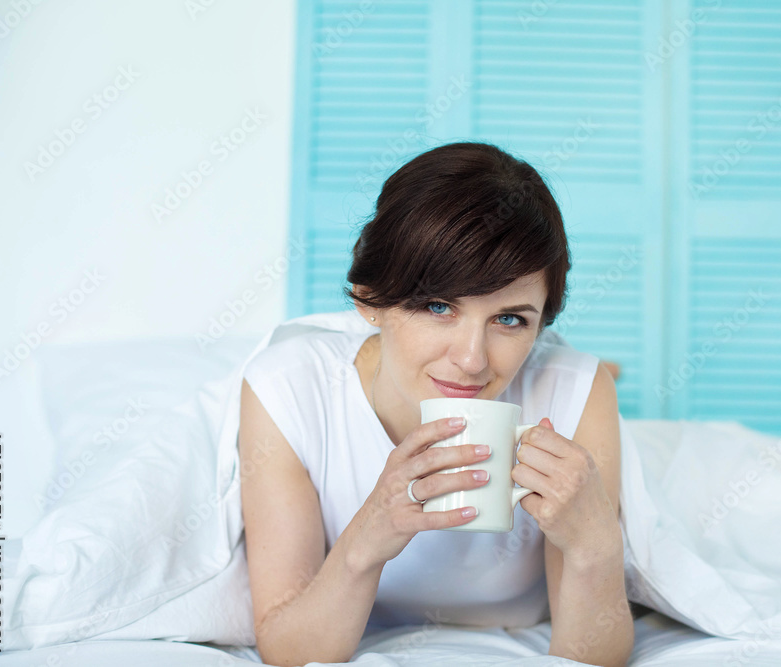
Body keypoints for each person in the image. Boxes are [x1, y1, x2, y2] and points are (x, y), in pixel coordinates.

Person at [237, 142, 634, 667]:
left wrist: (596, 547)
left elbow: (594, 657)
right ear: (368, 297)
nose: (471, 360)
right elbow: (287, 648)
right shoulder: (286, 389)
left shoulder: (578, 393)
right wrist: (366, 538)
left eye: (510, 319)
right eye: (438, 306)